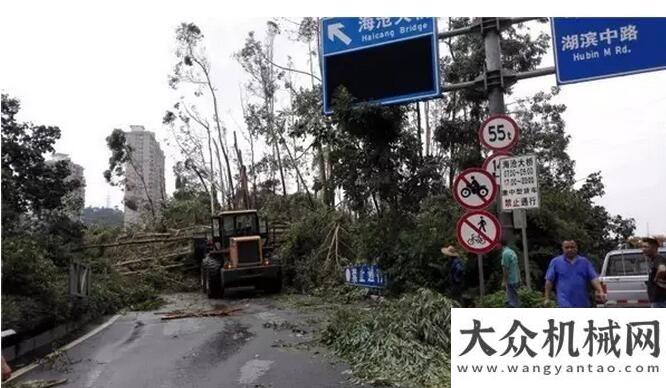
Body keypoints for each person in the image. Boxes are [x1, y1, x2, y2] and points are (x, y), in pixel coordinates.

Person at [544, 240, 606, 308]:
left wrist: (600, 291)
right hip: (564, 303)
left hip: (583, 303)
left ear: (576, 248)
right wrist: (547, 298)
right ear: (562, 248)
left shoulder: (585, 262)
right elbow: (549, 281)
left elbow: (593, 278)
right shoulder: (555, 262)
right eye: (567, 247)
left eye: (572, 247)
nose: (570, 249)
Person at [642, 237, 666, 308]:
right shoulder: (654, 259)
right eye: (643, 247)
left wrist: (656, 279)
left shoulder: (658, 258)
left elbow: (662, 269)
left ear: (654, 248)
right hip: (658, 300)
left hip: (660, 301)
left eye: (646, 247)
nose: (643, 249)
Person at [499, 237, 521, 307]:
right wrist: (519, 277)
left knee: (512, 302)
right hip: (515, 279)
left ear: (500, 245)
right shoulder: (512, 252)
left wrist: (504, 281)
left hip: (510, 280)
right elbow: (517, 266)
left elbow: (505, 269)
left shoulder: (505, 253)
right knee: (514, 299)